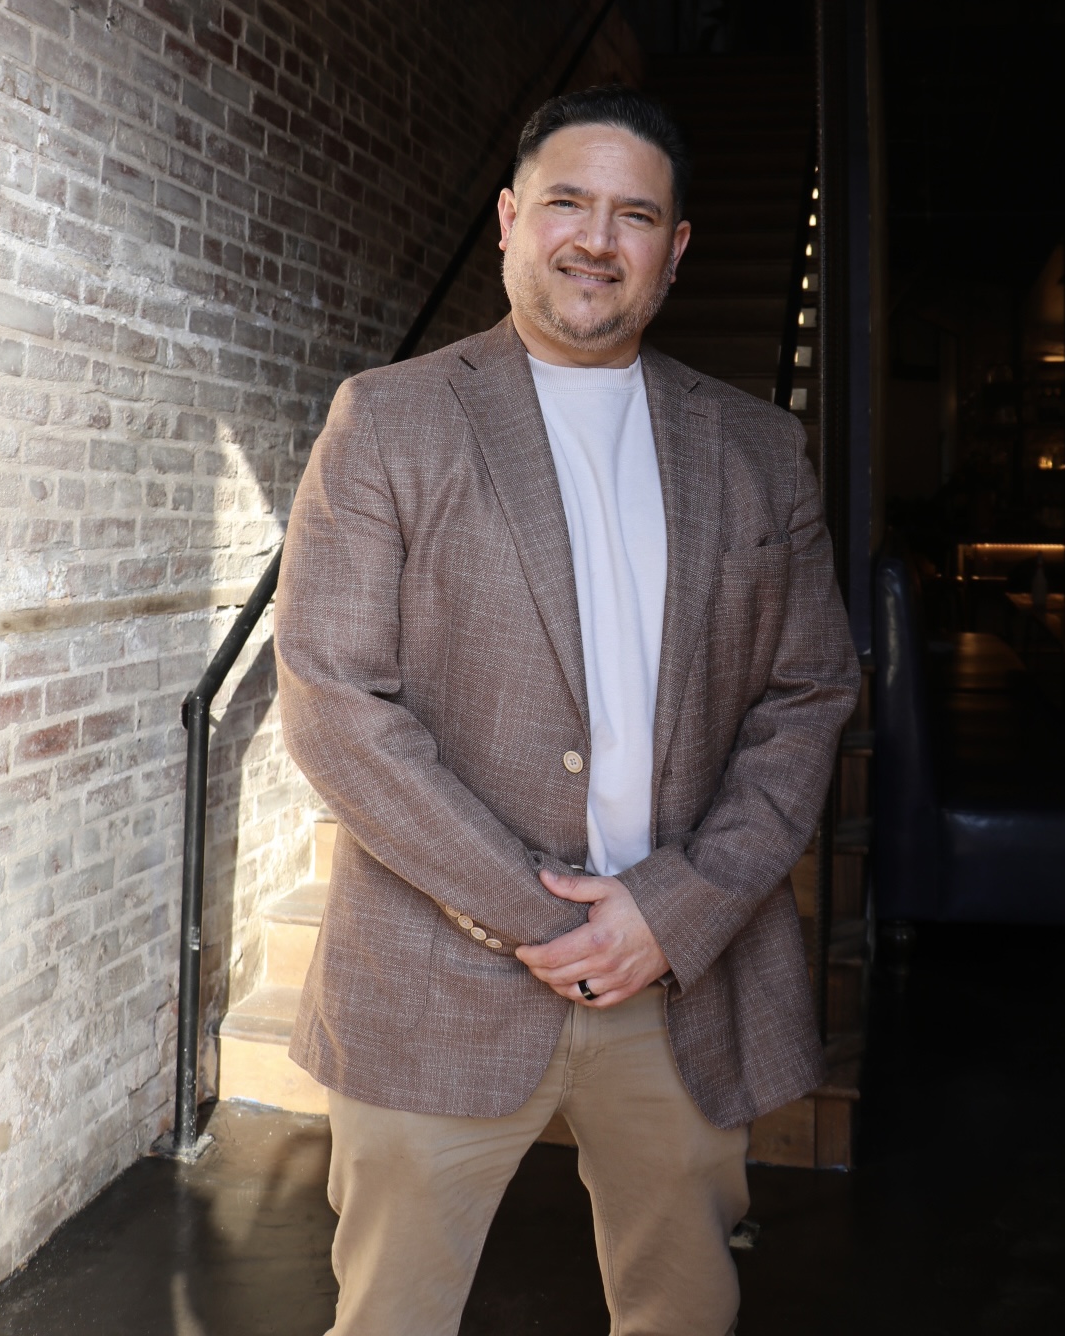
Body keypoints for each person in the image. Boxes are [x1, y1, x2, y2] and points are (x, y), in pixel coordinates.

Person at [274, 85, 859, 1336]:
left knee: (682, 1310)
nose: (597, 239)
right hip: (437, 969)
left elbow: (810, 692)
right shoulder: (388, 418)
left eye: (635, 214)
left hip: (680, 981)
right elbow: (332, 700)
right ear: (507, 219)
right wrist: (538, 912)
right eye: (567, 203)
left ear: (677, 247)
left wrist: (672, 908)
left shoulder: (759, 446)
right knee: (389, 1316)